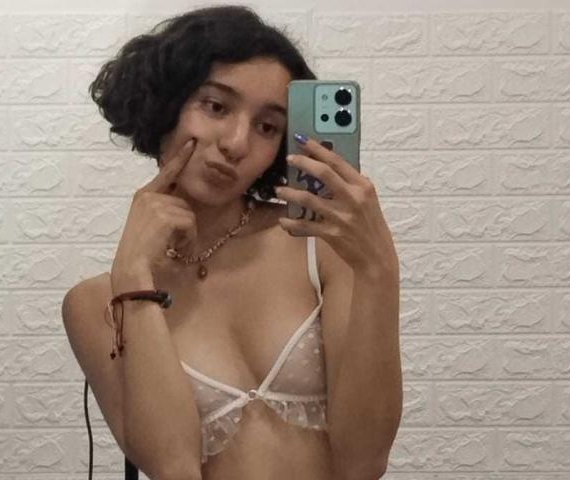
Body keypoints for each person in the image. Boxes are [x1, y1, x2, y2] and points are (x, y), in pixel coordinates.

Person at [62, 5, 402, 480]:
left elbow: (364, 461)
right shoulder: (97, 302)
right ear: (165, 103)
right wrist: (135, 277)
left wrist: (380, 270)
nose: (237, 143)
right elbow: (174, 468)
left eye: (268, 127)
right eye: (216, 107)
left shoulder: (319, 246)